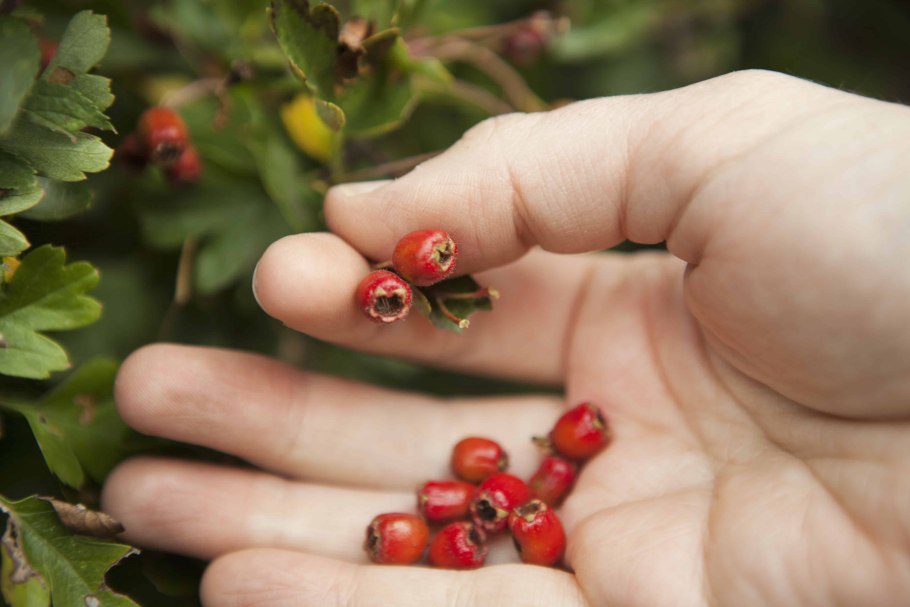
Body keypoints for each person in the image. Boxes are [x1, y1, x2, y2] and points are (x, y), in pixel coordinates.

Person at [101, 70, 910, 606]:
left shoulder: (514, 493)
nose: (493, 505)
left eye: (494, 507)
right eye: (495, 508)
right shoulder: (515, 492)